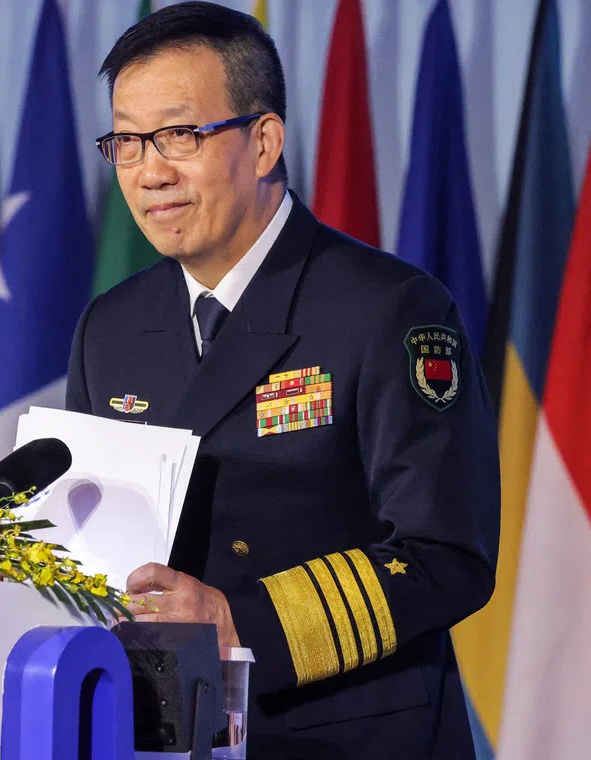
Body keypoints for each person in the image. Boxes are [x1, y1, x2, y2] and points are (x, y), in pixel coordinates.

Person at [65, 3, 499, 758]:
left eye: (180, 135)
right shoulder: (110, 325)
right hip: (161, 732)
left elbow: (447, 553)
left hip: (342, 734)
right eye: (127, 141)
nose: (149, 170)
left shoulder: (389, 307)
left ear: (263, 141)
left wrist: (240, 619)